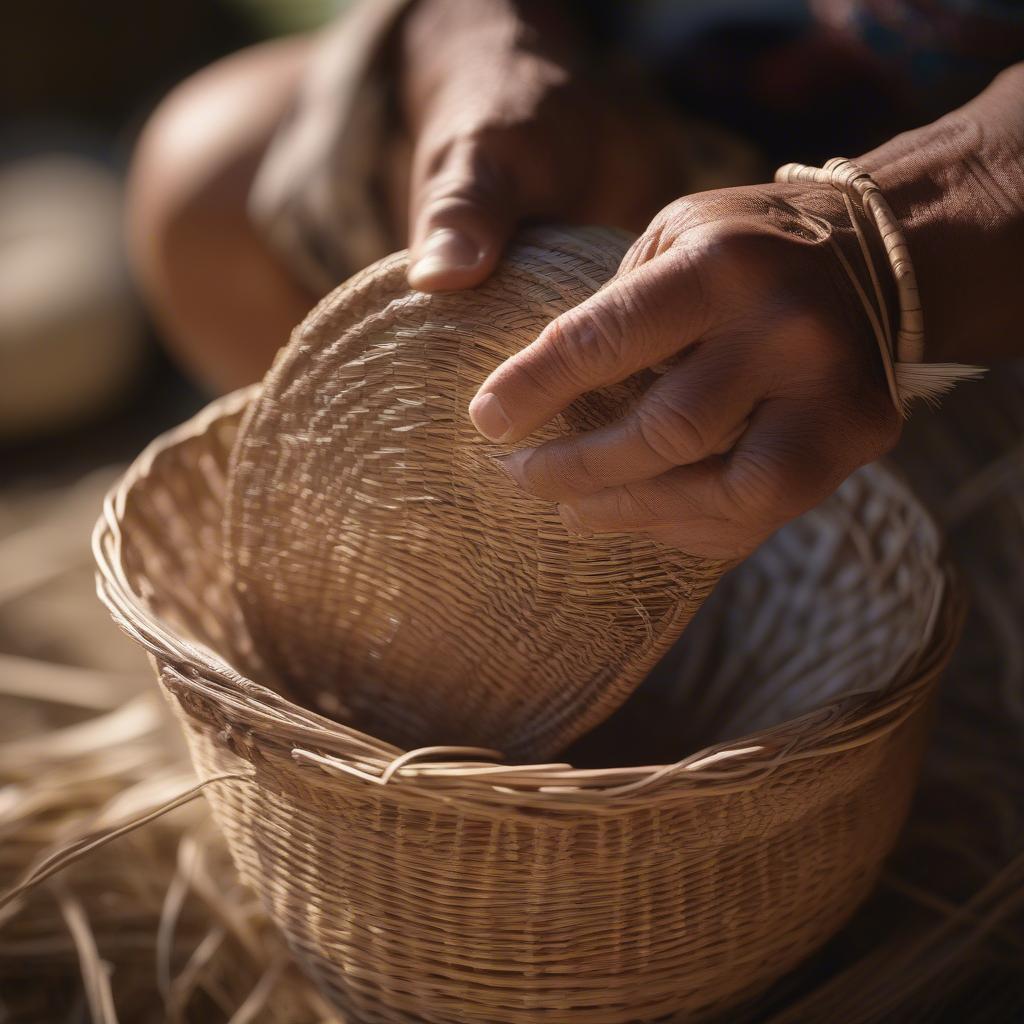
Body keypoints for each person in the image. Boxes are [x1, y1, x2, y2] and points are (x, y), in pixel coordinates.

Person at [127, 0, 1024, 560]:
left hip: (974, 214)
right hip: (661, 91)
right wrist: (485, 37)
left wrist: (891, 242)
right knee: (219, 182)